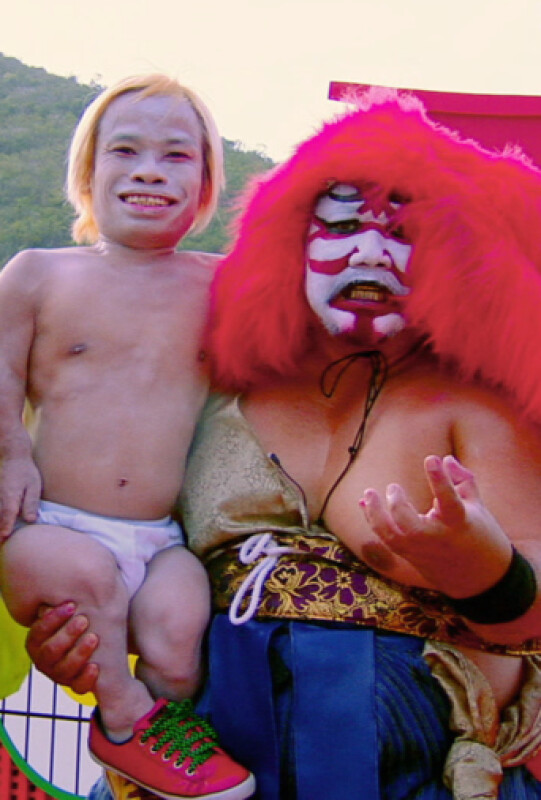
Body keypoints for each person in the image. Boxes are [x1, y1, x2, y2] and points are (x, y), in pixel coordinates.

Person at [26, 89, 541, 799]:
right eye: (344, 225)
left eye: (404, 230)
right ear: (291, 235)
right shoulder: (219, 384)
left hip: (402, 771)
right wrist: (81, 635)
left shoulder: (478, 409)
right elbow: (124, 535)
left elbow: (532, 612)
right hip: (211, 761)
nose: (369, 251)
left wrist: (486, 569)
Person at [0, 74, 254, 800]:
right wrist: (9, 453)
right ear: (87, 172)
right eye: (125, 151)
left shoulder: (223, 286)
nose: (149, 170)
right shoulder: (38, 274)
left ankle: (152, 758)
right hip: (48, 527)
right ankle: (121, 720)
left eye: (176, 155)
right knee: (86, 575)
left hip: (158, 536)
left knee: (180, 627)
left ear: (205, 185)